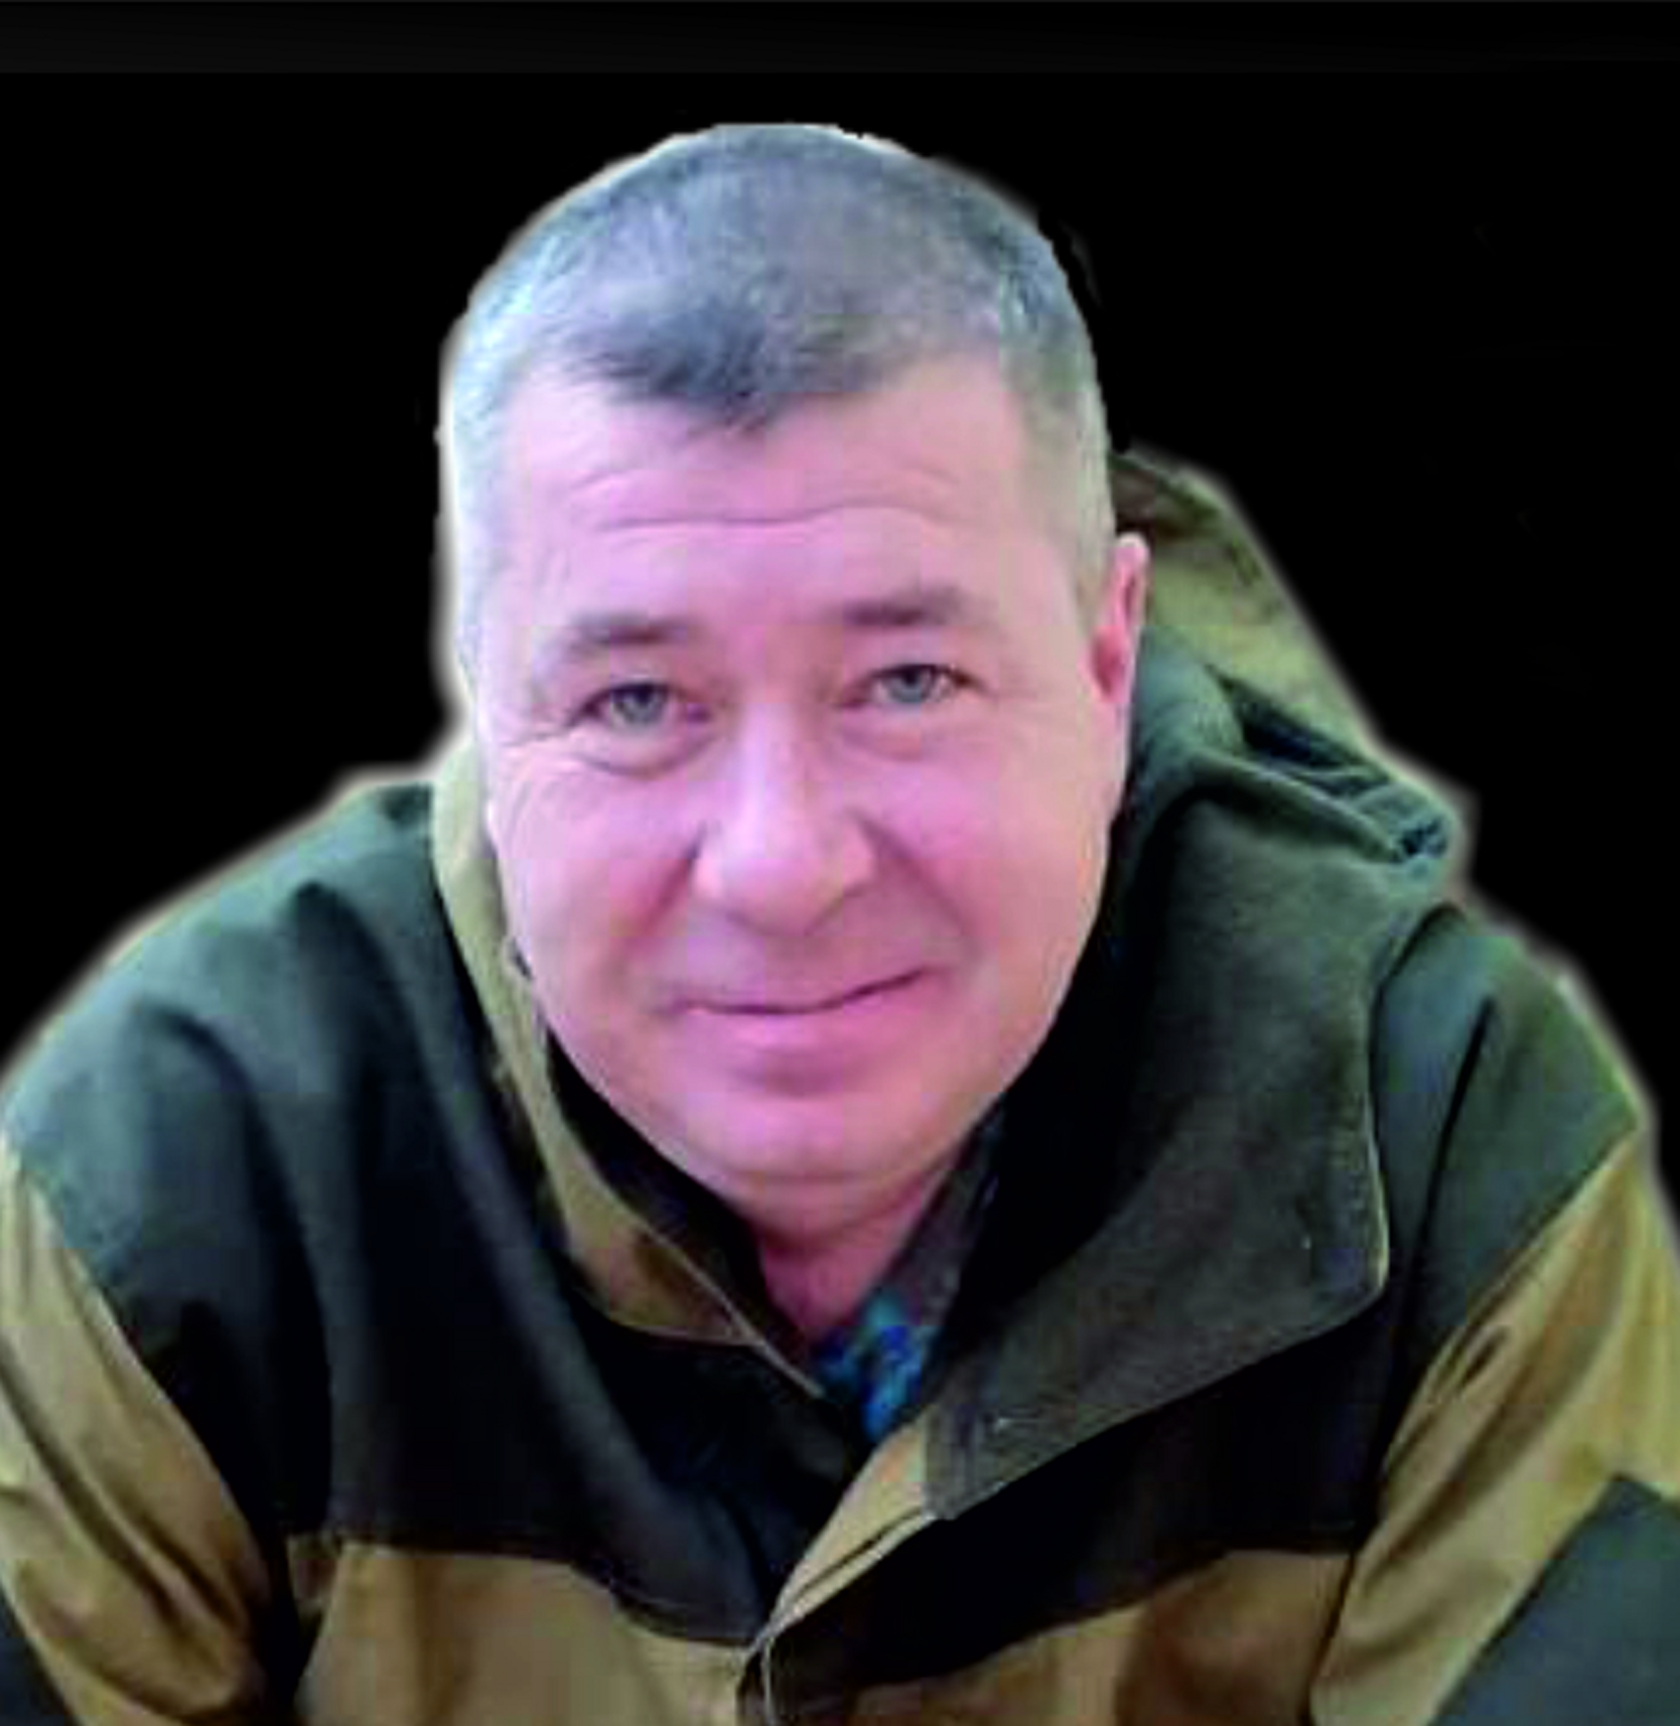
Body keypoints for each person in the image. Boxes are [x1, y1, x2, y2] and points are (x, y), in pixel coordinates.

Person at [1, 122, 1676, 1726]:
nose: (780, 864)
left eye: (908, 681)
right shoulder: (183, 1168)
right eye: (639, 699)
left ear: (1108, 664)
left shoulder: (1439, 1141)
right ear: (487, 702)